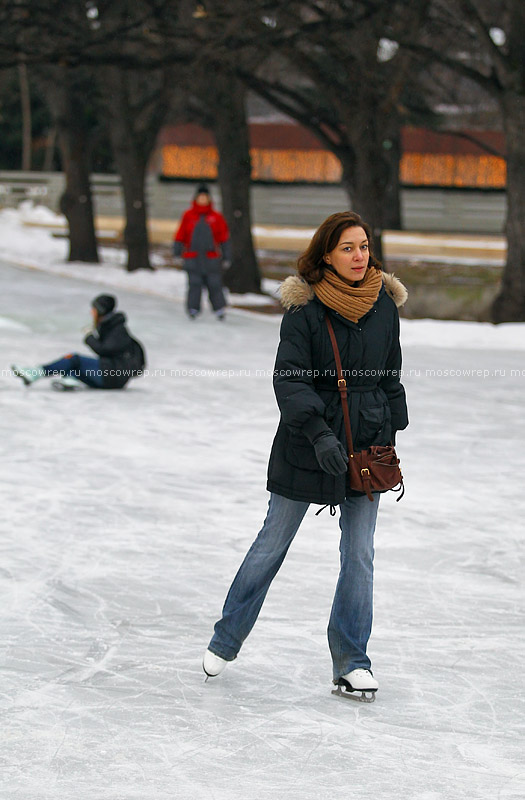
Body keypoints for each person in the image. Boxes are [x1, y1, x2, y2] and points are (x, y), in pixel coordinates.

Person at [202, 211, 409, 701]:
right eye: (347, 248)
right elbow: (289, 380)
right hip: (306, 447)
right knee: (272, 545)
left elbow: (389, 373)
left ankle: (353, 662)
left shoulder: (384, 305)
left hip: (364, 449)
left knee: (359, 556)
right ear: (326, 256)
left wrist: (393, 423)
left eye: (363, 246)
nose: (359, 256)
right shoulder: (306, 310)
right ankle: (225, 638)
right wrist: (318, 435)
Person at [12, 294, 145, 391]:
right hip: (112, 376)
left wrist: (89, 337)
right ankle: (70, 379)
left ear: (101, 310)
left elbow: (104, 349)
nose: (91, 312)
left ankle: (36, 373)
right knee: (73, 366)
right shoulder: (110, 326)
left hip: (112, 375)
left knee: (74, 359)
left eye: (94, 309)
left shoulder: (118, 329)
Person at [173, 183, 231, 320]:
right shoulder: (188, 216)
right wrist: (177, 250)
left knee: (215, 284)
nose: (203, 200)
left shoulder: (216, 217)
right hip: (193, 258)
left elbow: (223, 237)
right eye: (201, 197)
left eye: (205, 197)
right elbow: (181, 235)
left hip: (211, 259)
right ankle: (193, 308)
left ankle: (219, 309)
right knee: (194, 284)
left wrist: (227, 255)